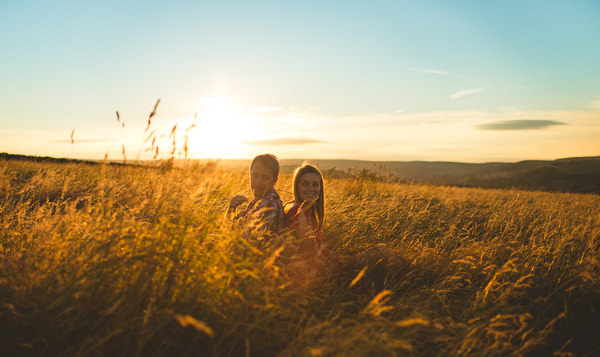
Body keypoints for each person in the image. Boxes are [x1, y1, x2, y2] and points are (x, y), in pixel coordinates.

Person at [227, 153, 285, 237]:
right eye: (255, 176)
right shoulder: (259, 200)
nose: (258, 183)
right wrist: (231, 208)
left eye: (265, 178)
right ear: (250, 175)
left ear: (275, 181)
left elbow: (245, 240)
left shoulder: (268, 204)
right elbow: (229, 228)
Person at [284, 164, 330, 257]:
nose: (311, 189)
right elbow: (311, 255)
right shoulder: (298, 212)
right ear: (297, 186)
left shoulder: (301, 209)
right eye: (305, 184)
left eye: (315, 184)